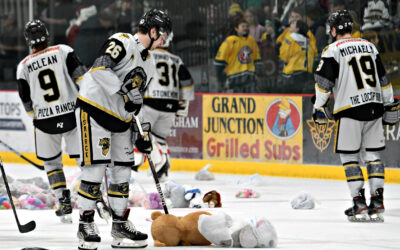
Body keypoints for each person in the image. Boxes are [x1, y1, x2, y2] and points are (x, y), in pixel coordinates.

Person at [74, 9, 172, 249]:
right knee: (95, 170)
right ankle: (85, 225)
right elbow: (99, 68)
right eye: (162, 35)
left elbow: (134, 103)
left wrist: (139, 131)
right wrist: (125, 91)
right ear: (152, 30)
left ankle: (119, 225)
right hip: (94, 110)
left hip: (120, 121)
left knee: (123, 172)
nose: (164, 41)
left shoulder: (149, 63)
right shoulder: (123, 41)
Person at [313, 10, 395, 223]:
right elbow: (383, 79)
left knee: (350, 158)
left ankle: (358, 202)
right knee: (373, 156)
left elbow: (324, 84)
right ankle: (377, 200)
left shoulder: (332, 50)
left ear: (333, 30)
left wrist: (319, 107)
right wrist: (388, 103)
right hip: (375, 107)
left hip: (349, 110)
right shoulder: (370, 46)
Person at [16, 20, 87, 223]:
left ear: (29, 41)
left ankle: (63, 201)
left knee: (52, 163)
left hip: (45, 122)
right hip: (72, 115)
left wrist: (35, 116)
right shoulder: (64, 51)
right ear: (47, 35)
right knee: (85, 160)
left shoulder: (23, 66)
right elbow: (82, 78)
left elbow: (26, 99)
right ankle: (93, 198)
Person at [133, 31, 195, 181]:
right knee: (159, 138)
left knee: (137, 136)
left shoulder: (147, 56)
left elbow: (136, 78)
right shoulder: (176, 59)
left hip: (150, 102)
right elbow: (187, 83)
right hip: (171, 106)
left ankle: (134, 168)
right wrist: (183, 105)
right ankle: (163, 175)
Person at [214, 18, 263, 93]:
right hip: (234, 80)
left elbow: (257, 59)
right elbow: (219, 62)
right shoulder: (230, 41)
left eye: (247, 26)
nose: (245, 28)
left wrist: (258, 74)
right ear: (236, 28)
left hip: (249, 79)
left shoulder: (251, 40)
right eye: (243, 26)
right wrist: (221, 80)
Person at [279, 20, 317, 93]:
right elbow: (315, 52)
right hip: (306, 73)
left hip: (292, 73)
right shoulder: (308, 41)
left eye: (293, 23)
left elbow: (284, 55)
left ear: (297, 29)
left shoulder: (290, 38)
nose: (290, 24)